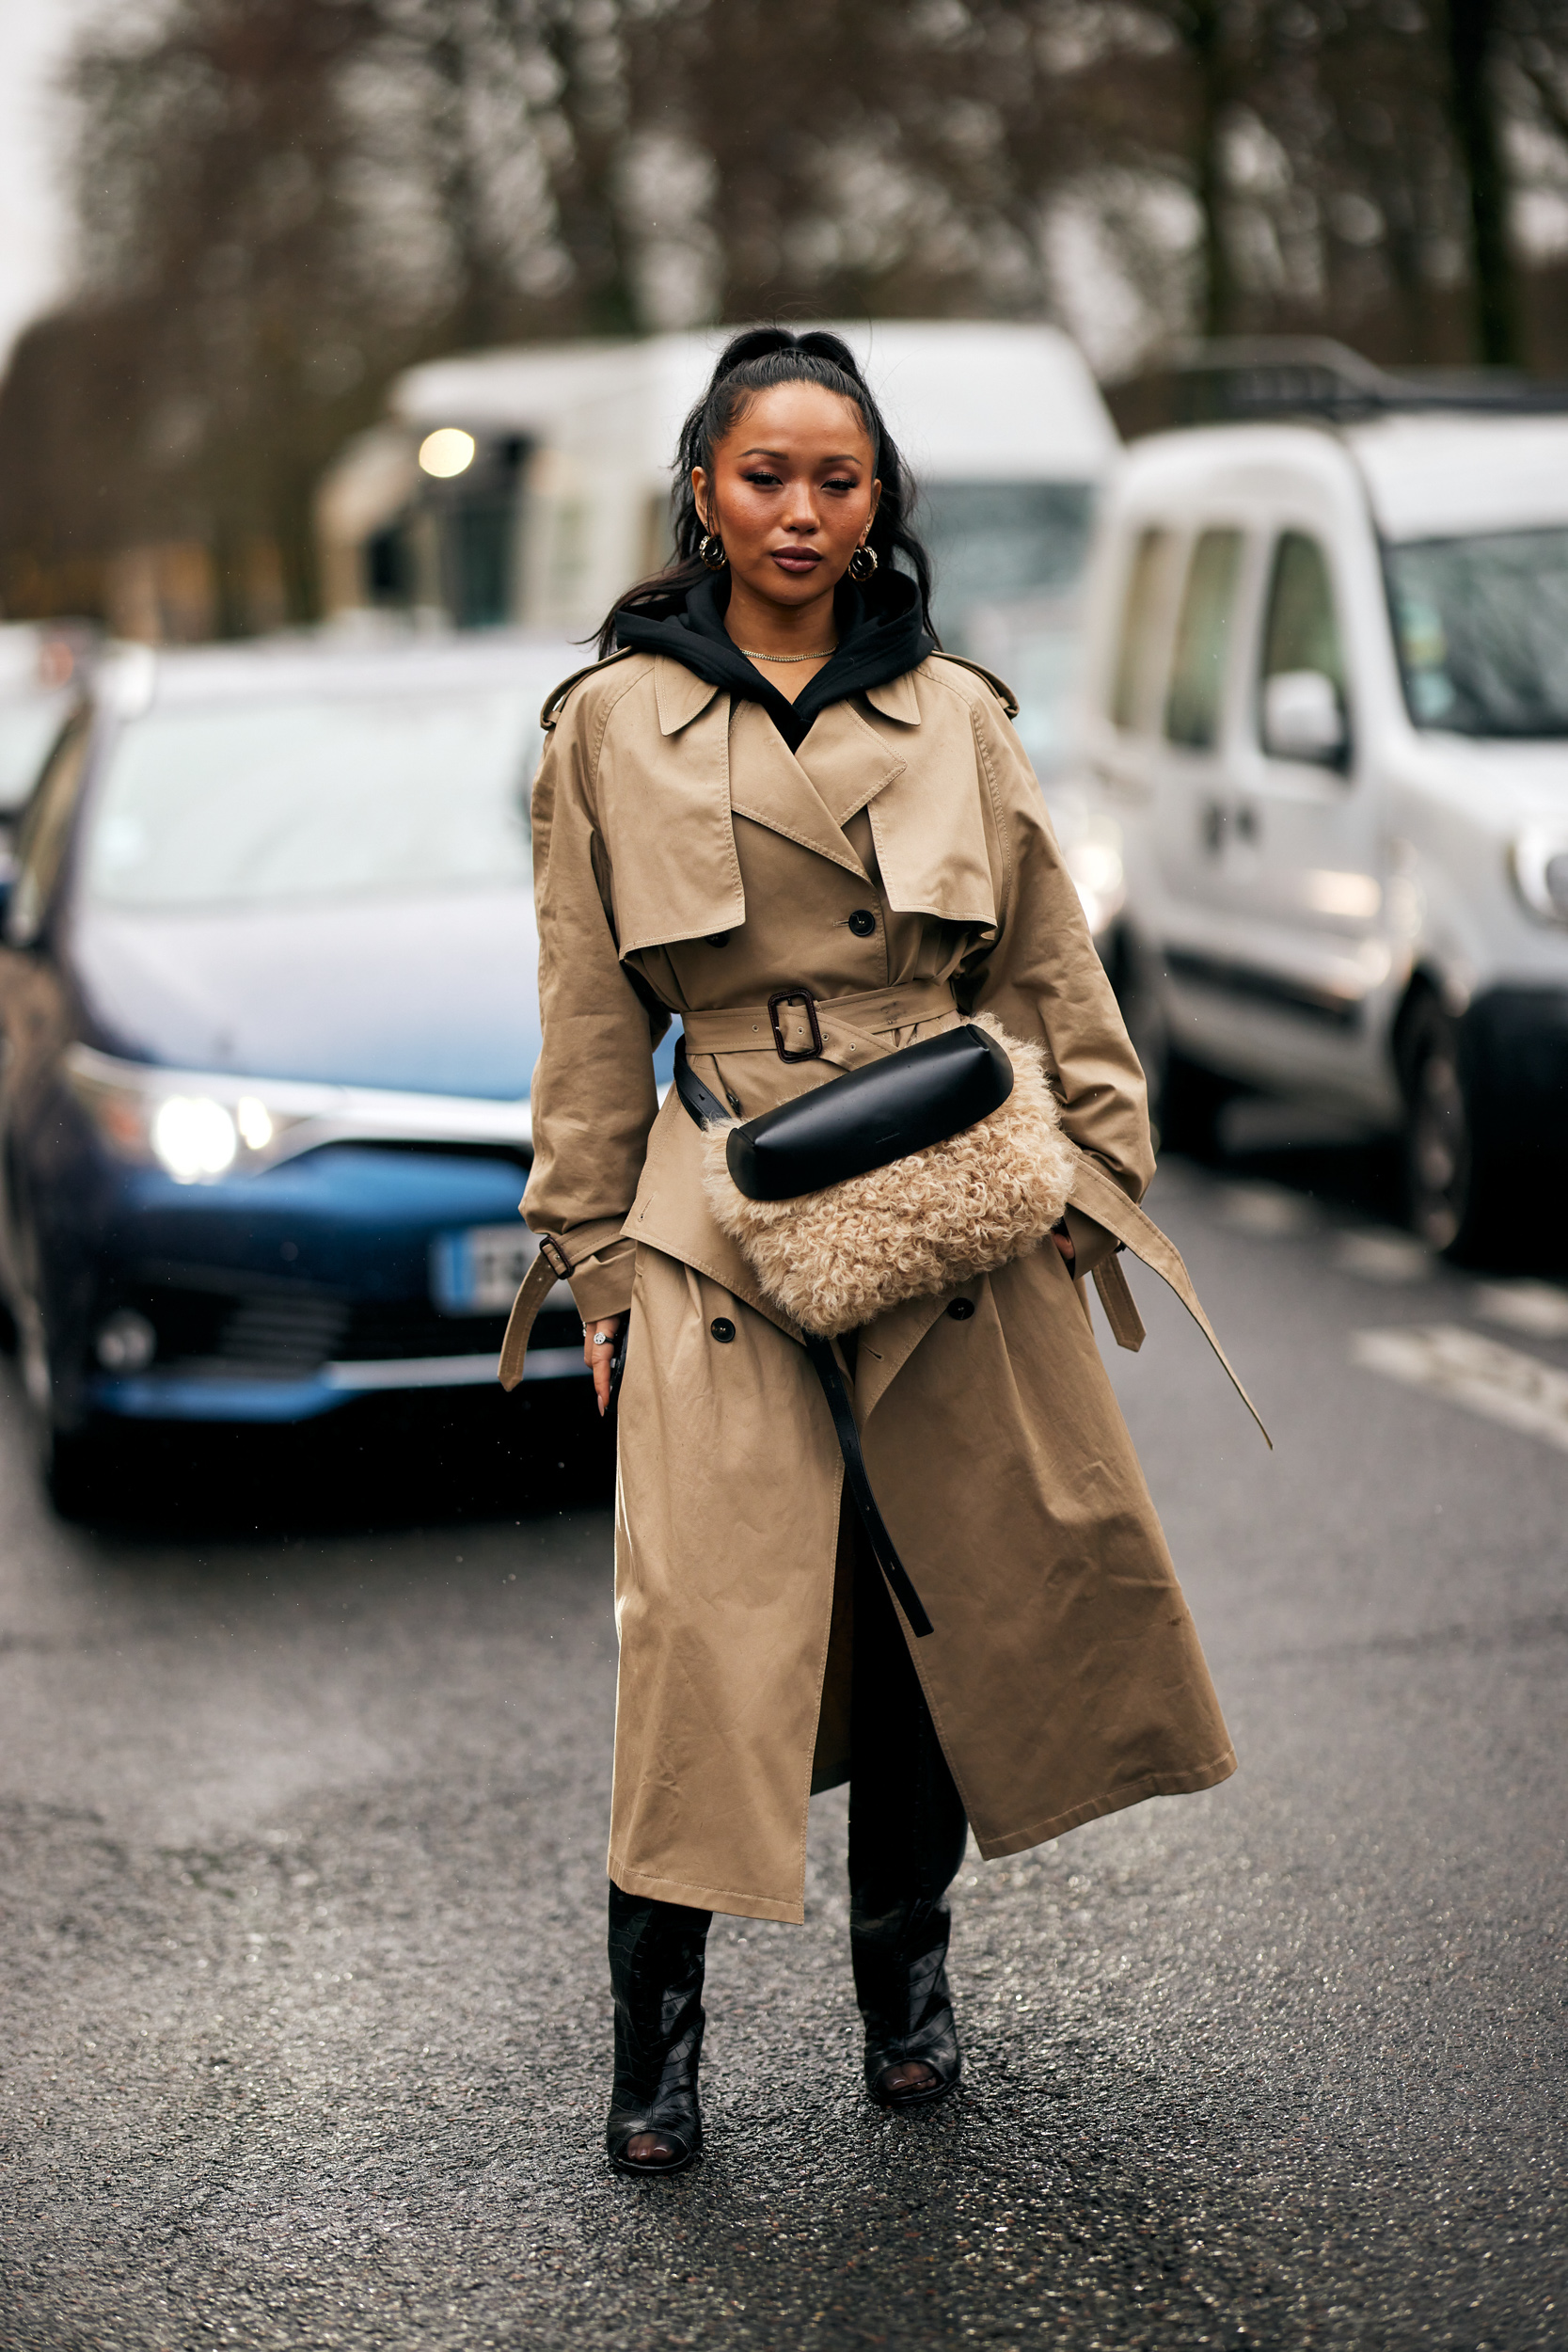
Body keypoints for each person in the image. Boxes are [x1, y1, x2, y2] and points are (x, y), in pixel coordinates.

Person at [515, 327, 1243, 2176]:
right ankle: (655, 2050)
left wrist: (1094, 1181)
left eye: (840, 479)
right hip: (718, 1221)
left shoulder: (958, 712)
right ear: (703, 485)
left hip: (945, 1206)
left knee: (945, 1607)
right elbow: (590, 1016)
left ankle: (905, 2001)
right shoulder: (608, 724)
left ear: (877, 500)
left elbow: (1054, 965)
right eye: (767, 473)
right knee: (697, 1633)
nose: (803, 511)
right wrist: (597, 1262)